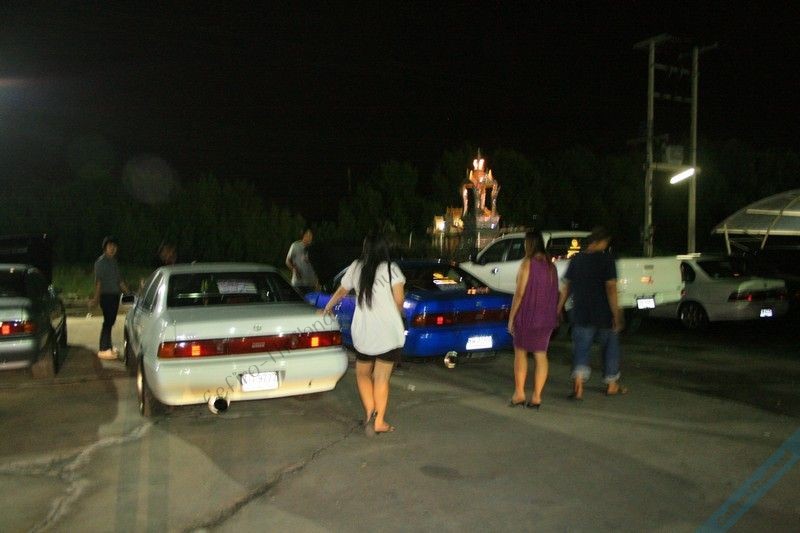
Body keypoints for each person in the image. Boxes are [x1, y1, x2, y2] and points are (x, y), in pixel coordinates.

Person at [321, 232, 405, 436]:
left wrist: (328, 307)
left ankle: (369, 412)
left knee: (362, 373)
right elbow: (399, 301)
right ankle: (379, 421)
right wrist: (393, 317)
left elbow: (342, 291)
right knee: (382, 378)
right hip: (387, 333)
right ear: (384, 249)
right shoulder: (391, 269)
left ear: (365, 248)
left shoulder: (356, 267)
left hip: (364, 330)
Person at [556, 226, 627, 400]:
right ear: (600, 241)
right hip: (604, 313)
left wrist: (558, 308)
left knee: (581, 348)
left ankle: (579, 386)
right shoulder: (607, 260)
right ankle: (611, 384)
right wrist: (616, 313)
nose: (606, 245)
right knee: (610, 347)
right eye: (605, 242)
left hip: (581, 312)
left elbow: (566, 287)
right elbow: (611, 288)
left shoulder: (577, 260)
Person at [507, 230, 559, 409]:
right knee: (540, 354)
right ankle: (537, 397)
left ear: (528, 244)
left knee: (520, 352)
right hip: (546, 318)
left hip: (527, 315)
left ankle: (519, 393)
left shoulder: (527, 263)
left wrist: (511, 317)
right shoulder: (551, 266)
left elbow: (520, 293)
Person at [89, 236, 129, 360]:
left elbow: (119, 281)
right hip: (106, 296)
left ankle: (108, 347)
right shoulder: (100, 263)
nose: (112, 249)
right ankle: (103, 348)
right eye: (110, 246)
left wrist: (128, 293)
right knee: (108, 322)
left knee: (111, 322)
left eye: (114, 246)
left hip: (115, 295)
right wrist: (96, 299)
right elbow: (98, 283)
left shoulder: (114, 262)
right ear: (105, 248)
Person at [285, 228, 319, 294]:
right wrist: (293, 269)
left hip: (311, 284)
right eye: (307, 235)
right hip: (298, 283)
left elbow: (318, 266)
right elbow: (287, 261)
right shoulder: (295, 246)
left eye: (310, 235)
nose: (309, 237)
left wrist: (317, 282)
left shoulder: (314, 247)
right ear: (303, 235)